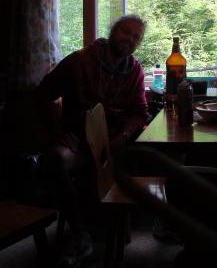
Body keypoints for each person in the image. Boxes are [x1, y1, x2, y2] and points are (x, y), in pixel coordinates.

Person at [34, 14, 148, 266]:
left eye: (136, 37)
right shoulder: (80, 61)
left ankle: (117, 224)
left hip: (113, 141)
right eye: (125, 32)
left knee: (146, 157)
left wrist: (123, 136)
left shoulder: (135, 70)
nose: (129, 39)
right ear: (113, 30)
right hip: (77, 138)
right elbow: (43, 94)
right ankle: (80, 233)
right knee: (55, 159)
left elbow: (140, 112)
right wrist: (56, 131)